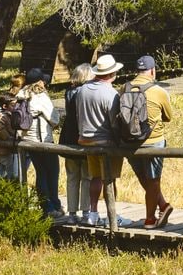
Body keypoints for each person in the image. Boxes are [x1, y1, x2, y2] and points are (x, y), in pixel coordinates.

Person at [76, 54, 125, 227]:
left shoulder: (82, 90)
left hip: (86, 140)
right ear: (112, 73)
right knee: (109, 179)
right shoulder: (111, 94)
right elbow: (114, 123)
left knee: (95, 177)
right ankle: (112, 216)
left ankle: (93, 213)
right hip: (105, 142)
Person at [126, 55, 174, 228]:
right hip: (153, 141)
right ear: (153, 71)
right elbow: (168, 117)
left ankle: (163, 206)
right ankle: (150, 218)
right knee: (153, 179)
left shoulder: (125, 88)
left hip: (130, 141)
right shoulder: (159, 91)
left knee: (143, 178)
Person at [19, 69, 63, 216]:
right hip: (42, 140)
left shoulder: (21, 96)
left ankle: (45, 205)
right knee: (52, 172)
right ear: (39, 82)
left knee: (40, 172)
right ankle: (53, 206)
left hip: (27, 140)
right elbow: (54, 119)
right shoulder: (40, 97)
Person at [60, 63, 95, 222]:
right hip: (83, 136)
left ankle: (72, 213)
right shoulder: (85, 92)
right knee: (86, 176)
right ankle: (86, 211)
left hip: (68, 137)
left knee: (72, 177)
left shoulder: (69, 91)